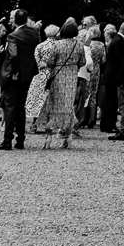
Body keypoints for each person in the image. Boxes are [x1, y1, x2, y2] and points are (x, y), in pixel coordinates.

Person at [34, 20, 84, 149]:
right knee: (68, 106)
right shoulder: (79, 45)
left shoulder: (57, 44)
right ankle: (68, 137)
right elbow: (83, 62)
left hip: (58, 76)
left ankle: (48, 139)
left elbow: (50, 61)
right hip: (72, 76)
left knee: (52, 105)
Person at [0, 10, 41, 151]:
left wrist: (15, 71)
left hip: (15, 74)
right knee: (21, 106)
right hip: (28, 74)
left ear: (16, 20)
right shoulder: (35, 33)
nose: (9, 20)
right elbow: (36, 51)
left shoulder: (13, 35)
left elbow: (13, 55)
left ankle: (7, 139)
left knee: (10, 106)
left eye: (11, 18)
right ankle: (20, 139)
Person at [97, 23, 122, 133]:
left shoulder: (110, 44)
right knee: (110, 101)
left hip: (107, 75)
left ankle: (105, 123)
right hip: (109, 75)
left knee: (108, 100)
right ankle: (108, 124)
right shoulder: (111, 45)